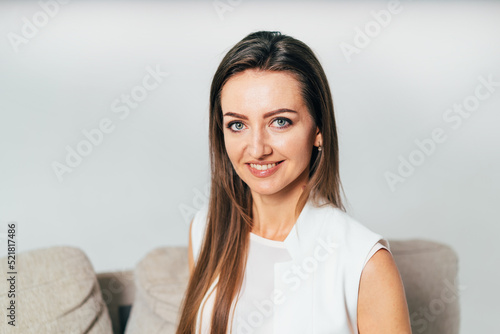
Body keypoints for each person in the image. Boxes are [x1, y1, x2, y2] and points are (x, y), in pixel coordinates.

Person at [176, 31, 411, 334]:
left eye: (280, 122)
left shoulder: (365, 262)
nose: (258, 148)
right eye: (238, 124)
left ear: (318, 130)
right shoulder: (205, 229)